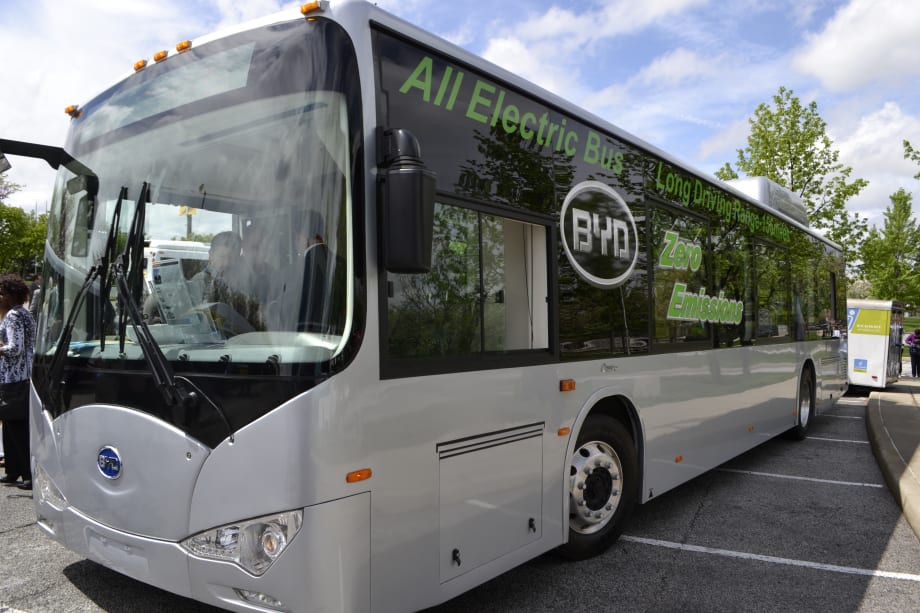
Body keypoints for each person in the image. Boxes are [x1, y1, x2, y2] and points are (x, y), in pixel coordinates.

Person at [0, 274, 36, 490]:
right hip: (21, 375)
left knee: (16, 426)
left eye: (1, 293)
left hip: (14, 376)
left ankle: (27, 474)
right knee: (11, 425)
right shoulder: (23, 313)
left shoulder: (13, 316)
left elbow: (15, 348)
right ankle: (13, 470)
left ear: (10, 295)